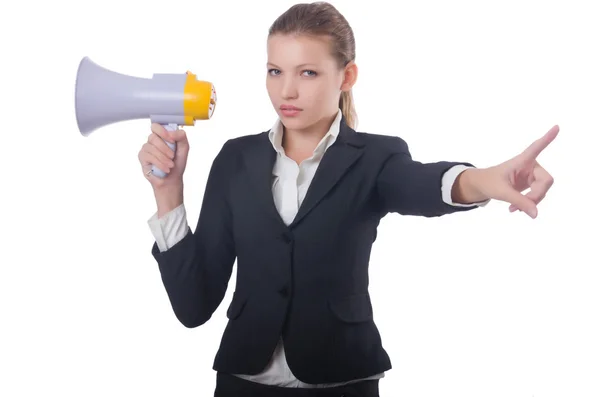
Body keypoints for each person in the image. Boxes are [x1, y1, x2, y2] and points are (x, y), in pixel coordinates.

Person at [138, 2, 558, 396]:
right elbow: (193, 307)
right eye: (273, 71)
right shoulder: (235, 159)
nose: (286, 90)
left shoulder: (376, 157)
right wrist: (168, 193)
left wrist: (483, 179)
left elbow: (423, 183)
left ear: (347, 76)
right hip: (241, 380)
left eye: (307, 73)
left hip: (343, 380)